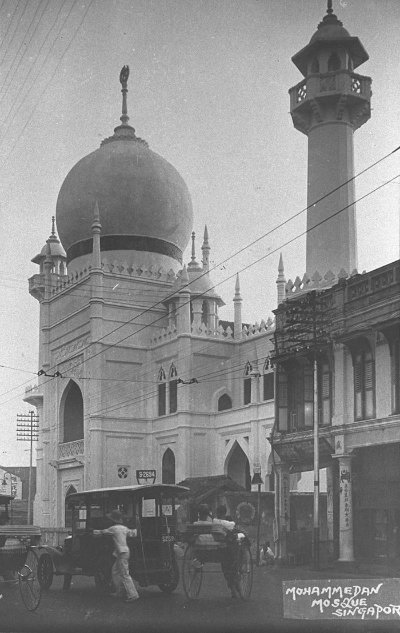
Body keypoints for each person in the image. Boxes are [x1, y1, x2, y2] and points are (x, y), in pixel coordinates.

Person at [93, 509, 139, 602]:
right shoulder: (124, 528)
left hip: (121, 553)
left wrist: (94, 532)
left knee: (124, 574)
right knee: (115, 571)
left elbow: (103, 532)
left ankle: (133, 595)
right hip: (124, 552)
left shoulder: (114, 528)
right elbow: (133, 533)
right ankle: (120, 591)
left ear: (113, 519)